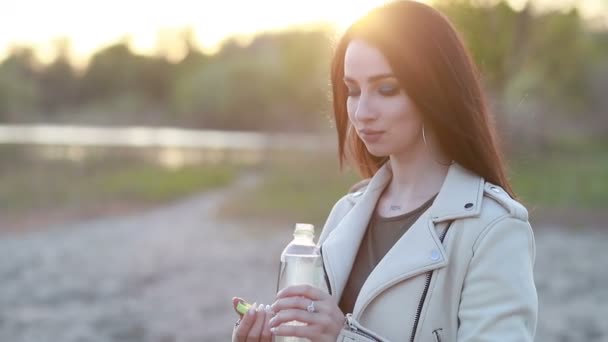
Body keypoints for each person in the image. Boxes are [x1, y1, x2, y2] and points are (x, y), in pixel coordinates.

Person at [231, 1, 538, 341]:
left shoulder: (494, 228)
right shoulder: (346, 212)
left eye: (387, 88)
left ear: (434, 89)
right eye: (352, 90)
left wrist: (344, 338)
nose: (362, 111)